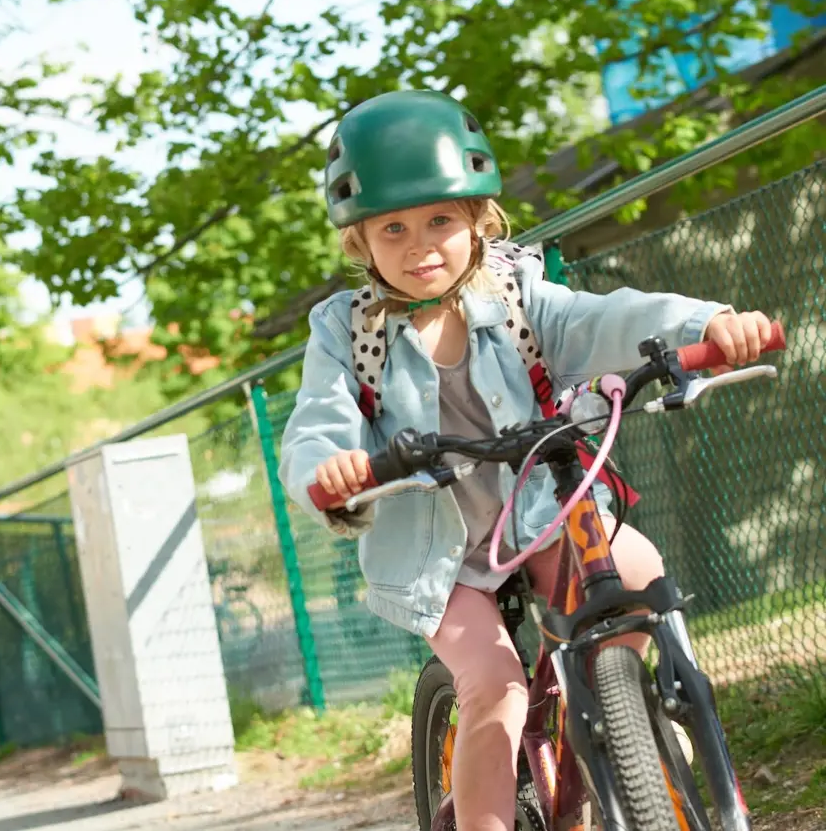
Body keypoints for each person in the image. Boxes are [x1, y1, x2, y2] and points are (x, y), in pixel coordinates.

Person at [279, 90, 773, 831]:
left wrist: (707, 323)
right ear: (359, 242)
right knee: (496, 688)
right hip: (436, 553)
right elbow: (319, 421)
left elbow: (607, 316)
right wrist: (334, 470)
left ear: (479, 220)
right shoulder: (347, 336)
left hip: (539, 512)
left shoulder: (517, 295)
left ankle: (629, 724)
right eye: (393, 228)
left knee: (638, 579)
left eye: (441, 220)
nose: (422, 246)